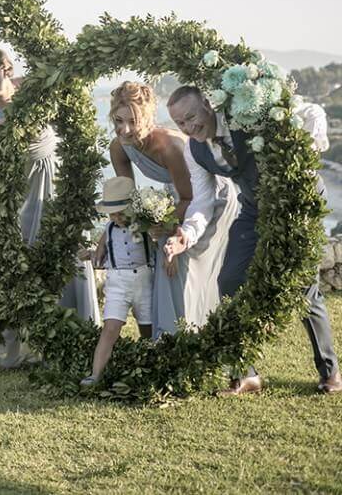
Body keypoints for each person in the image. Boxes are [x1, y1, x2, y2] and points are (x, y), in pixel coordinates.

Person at [165, 85, 342, 394]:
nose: (189, 127)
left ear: (208, 105)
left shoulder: (247, 116)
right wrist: (187, 234)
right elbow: (203, 200)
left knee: (304, 288)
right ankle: (246, 374)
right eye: (180, 123)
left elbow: (311, 111)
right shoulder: (194, 151)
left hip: (296, 204)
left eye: (191, 116)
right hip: (254, 208)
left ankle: (330, 372)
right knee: (229, 281)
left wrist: (307, 149)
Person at [0, 44, 100, 368]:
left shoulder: (34, 88)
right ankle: (17, 350)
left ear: (6, 65)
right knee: (21, 262)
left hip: (56, 182)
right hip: (19, 194)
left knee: (66, 254)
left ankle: (72, 340)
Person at [107, 81, 237, 335]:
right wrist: (128, 226)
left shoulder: (170, 147)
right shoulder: (118, 147)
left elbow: (191, 198)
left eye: (133, 121)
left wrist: (162, 225)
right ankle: (167, 338)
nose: (125, 129)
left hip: (208, 198)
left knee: (183, 262)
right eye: (118, 121)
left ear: (148, 118)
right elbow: (127, 199)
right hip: (175, 200)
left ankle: (190, 335)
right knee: (166, 255)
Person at [80, 177, 153, 386]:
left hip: (144, 280)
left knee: (147, 328)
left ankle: (149, 367)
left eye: (122, 212)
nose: (117, 217)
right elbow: (104, 257)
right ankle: (96, 374)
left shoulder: (146, 226)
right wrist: (92, 254)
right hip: (117, 282)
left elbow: (156, 244)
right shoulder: (109, 230)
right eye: (113, 213)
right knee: (110, 328)